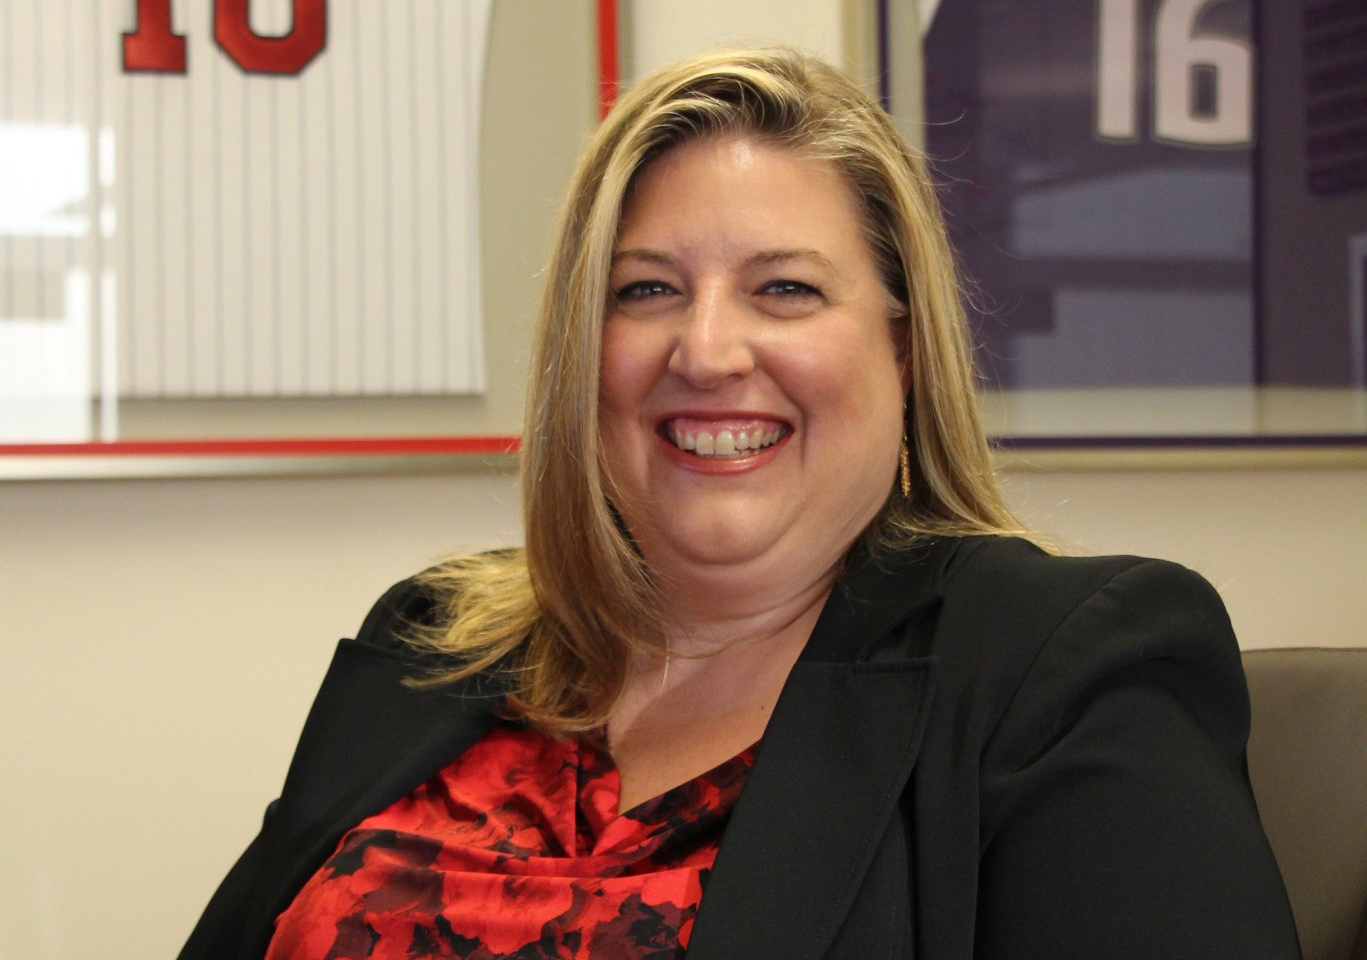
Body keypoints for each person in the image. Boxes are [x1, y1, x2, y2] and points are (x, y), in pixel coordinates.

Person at [179, 49, 1301, 960]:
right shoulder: (434, 636)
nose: (707, 350)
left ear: (901, 350)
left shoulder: (1064, 669)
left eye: (786, 289)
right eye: (647, 290)